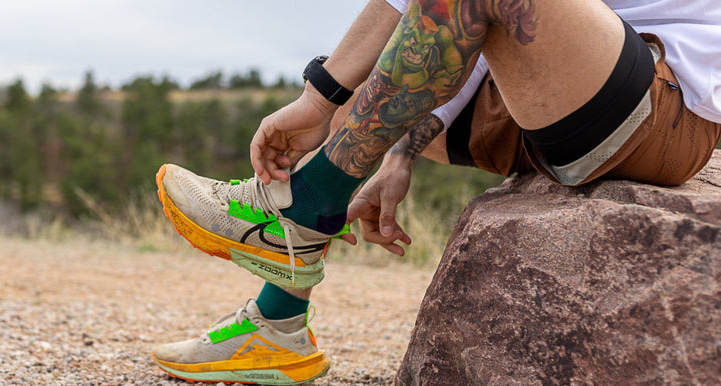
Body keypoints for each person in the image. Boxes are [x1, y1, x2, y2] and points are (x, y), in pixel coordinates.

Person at [151, 0, 721, 384]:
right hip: (552, 97)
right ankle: (276, 327)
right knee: (359, 81)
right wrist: (381, 147)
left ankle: (298, 210)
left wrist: (335, 124)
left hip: (659, 101)